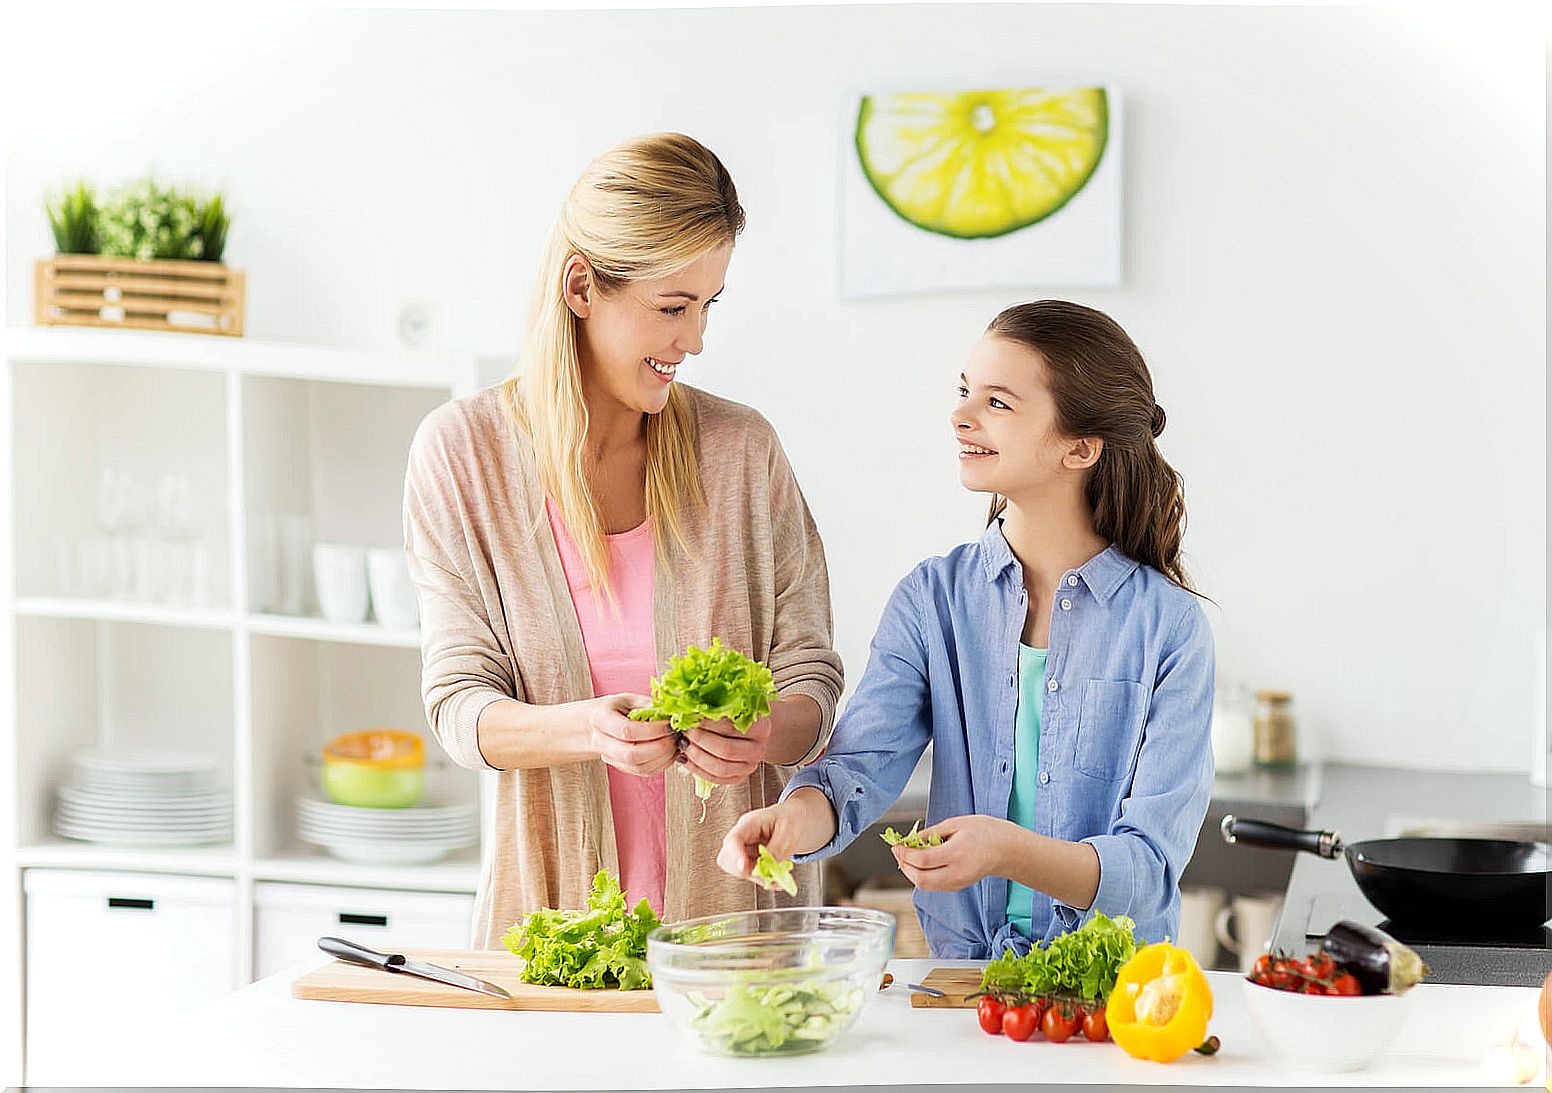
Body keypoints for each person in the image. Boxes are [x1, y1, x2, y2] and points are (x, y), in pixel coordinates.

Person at [404, 133, 842, 947]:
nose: (697, 338)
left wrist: (760, 734)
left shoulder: (743, 454)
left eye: (709, 305)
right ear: (581, 286)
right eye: (673, 307)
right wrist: (588, 730)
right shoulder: (462, 455)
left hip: (735, 945)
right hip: (549, 935)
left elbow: (812, 683)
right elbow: (460, 708)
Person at [718, 300, 1214, 956]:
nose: (961, 414)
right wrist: (790, 822)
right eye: (964, 392)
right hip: (963, 990)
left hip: (1116, 1000)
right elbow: (854, 769)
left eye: (998, 402)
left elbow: (1148, 869)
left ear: (1081, 446)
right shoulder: (932, 601)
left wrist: (1007, 852)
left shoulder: (1169, 627)